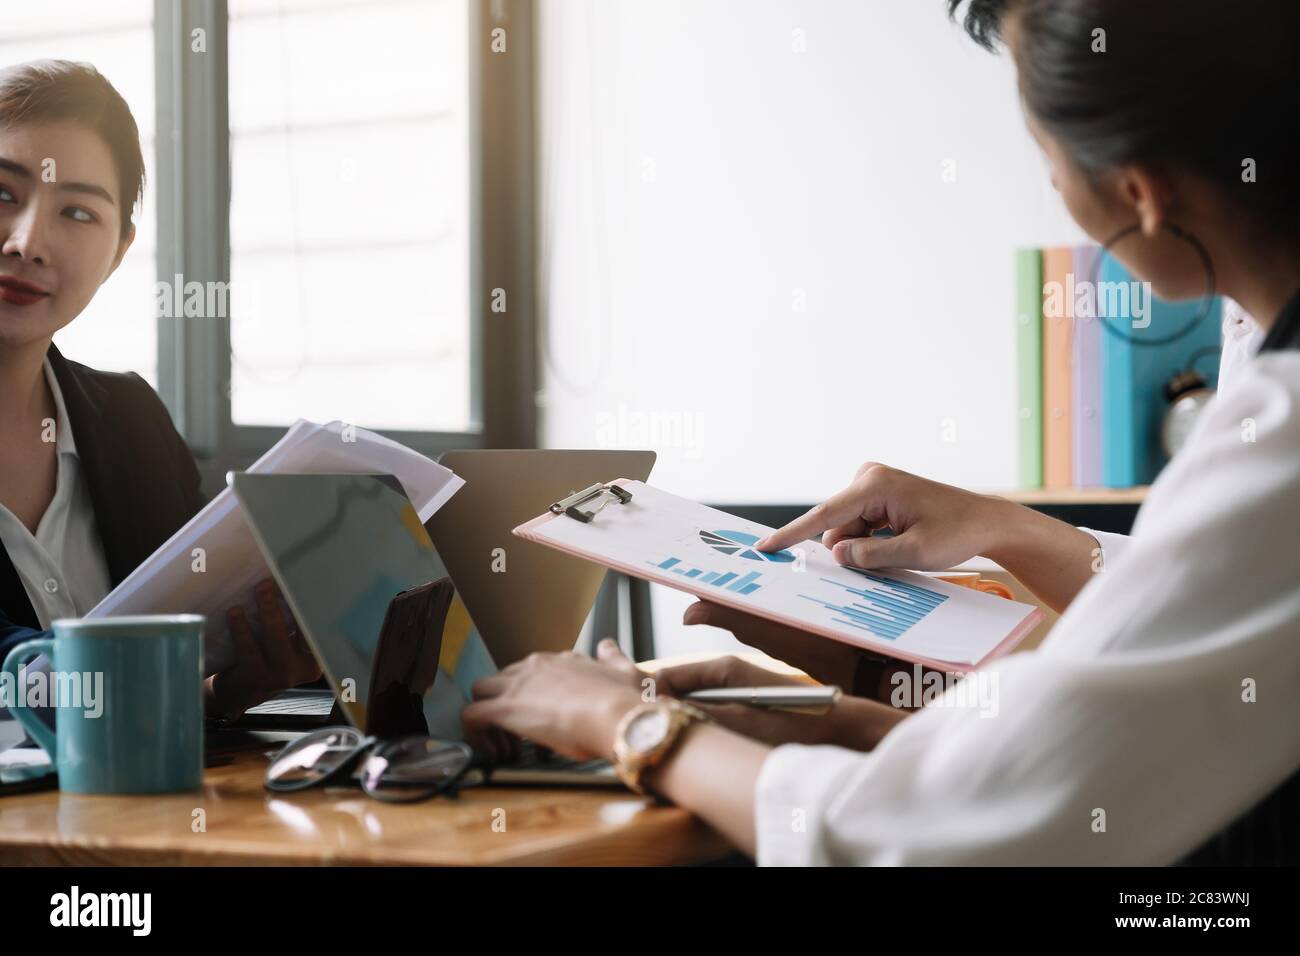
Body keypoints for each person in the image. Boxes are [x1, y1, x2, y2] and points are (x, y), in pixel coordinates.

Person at [462, 0, 1300, 864]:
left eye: (1046, 156)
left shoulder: (1283, 424)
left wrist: (625, 722)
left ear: (1140, 192)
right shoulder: (1263, 364)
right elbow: (1184, 629)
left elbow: (960, 833)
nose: (1052, 187)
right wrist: (850, 704)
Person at [0, 60, 318, 720]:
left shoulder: (130, 421)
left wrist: (220, 692)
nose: (28, 243)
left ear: (118, 252)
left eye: (79, 212)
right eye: (4, 194)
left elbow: (181, 654)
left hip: (141, 815)